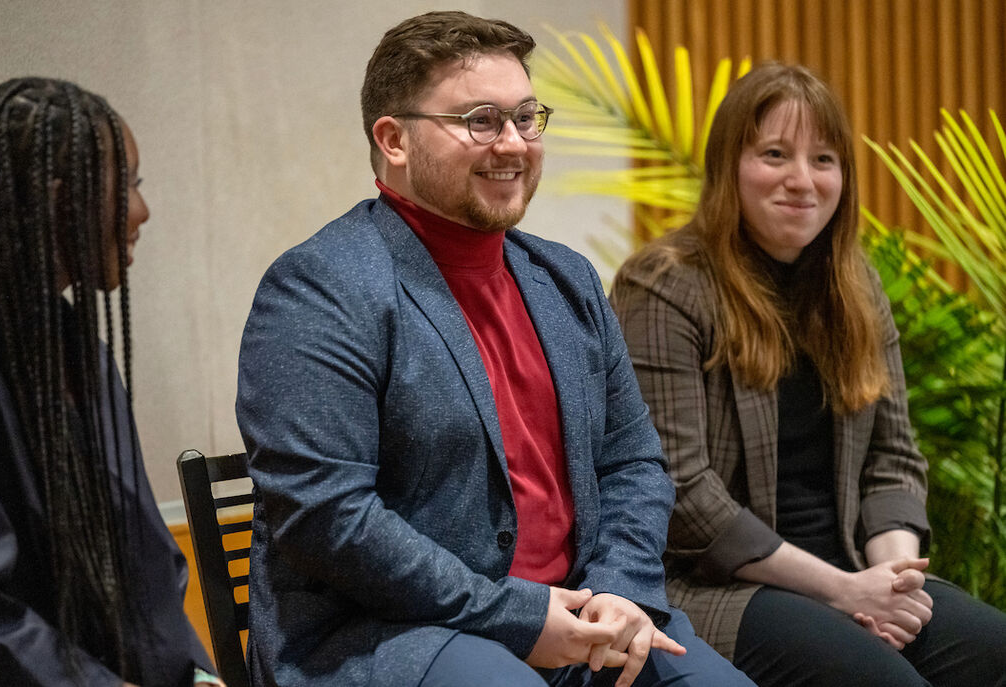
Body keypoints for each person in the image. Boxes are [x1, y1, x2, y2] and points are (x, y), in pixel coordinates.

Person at [236, 11, 753, 687]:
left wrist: (622, 589)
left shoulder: (566, 278)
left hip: (583, 615)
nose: (513, 143)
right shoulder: (319, 288)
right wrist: (521, 615)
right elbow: (330, 517)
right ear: (392, 139)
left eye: (527, 117)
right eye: (481, 119)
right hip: (387, 634)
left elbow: (632, 461)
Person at [610, 62, 1006, 686]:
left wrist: (893, 584)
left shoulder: (856, 284)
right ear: (728, 167)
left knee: (995, 650)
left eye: (823, 159)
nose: (802, 181)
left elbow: (893, 458)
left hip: (855, 568)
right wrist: (844, 591)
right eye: (774, 154)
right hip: (717, 589)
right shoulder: (664, 286)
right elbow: (681, 492)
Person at [0, 78, 220, 687]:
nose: (142, 211)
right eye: (128, 185)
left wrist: (196, 677)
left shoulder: (73, 349)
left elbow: (148, 564)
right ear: (58, 198)